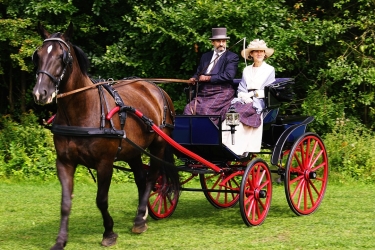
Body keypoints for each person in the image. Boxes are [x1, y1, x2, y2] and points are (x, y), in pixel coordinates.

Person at [222, 39, 275, 155]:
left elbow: (268, 89)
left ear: (265, 53)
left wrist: (252, 95)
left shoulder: (269, 70)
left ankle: (236, 148)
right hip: (244, 98)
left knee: (240, 114)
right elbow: (241, 87)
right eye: (256, 51)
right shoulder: (246, 70)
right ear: (251, 54)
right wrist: (243, 96)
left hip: (259, 100)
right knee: (229, 112)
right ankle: (223, 143)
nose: (259, 54)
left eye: (261, 51)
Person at [183, 27, 239, 125]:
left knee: (206, 109)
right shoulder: (206, 56)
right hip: (205, 91)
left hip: (222, 91)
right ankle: (189, 138)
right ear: (213, 42)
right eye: (218, 41)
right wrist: (194, 78)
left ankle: (207, 138)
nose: (221, 44)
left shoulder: (231, 57)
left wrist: (208, 78)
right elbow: (199, 73)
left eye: (223, 41)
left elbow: (229, 75)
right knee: (188, 109)